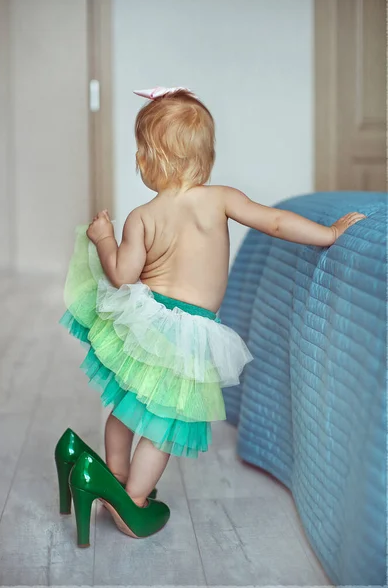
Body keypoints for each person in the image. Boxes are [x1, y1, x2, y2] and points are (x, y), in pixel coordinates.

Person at [58, 86, 365, 542]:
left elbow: (122, 275)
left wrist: (104, 237)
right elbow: (275, 221)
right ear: (205, 155)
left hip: (149, 323)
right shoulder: (221, 198)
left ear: (148, 159)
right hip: (190, 332)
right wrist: (328, 234)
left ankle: (112, 479)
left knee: (126, 405)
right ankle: (133, 502)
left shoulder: (142, 216)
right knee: (163, 424)